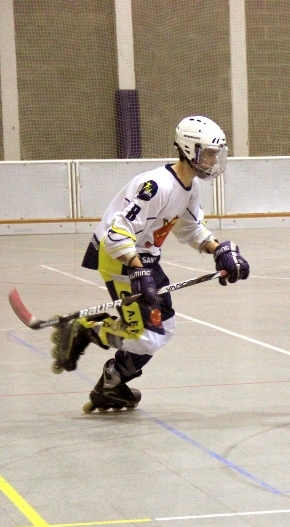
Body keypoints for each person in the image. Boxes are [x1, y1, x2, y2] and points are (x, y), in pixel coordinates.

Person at [50, 116, 250, 412]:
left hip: (145, 259)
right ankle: (86, 330)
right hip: (121, 258)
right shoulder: (154, 186)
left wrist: (218, 249)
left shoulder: (189, 188)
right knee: (146, 338)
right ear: (189, 149)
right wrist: (136, 267)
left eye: (215, 154)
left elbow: (191, 229)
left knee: (163, 328)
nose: (213, 160)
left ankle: (112, 384)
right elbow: (118, 233)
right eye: (208, 153)